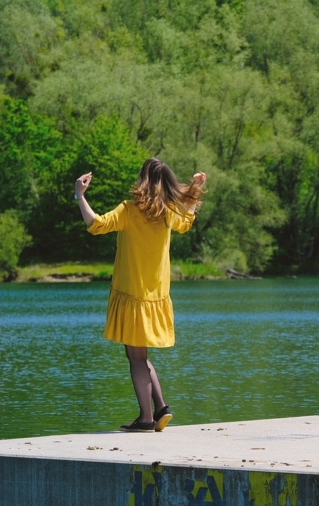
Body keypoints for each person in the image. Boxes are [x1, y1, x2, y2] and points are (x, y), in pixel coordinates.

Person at [75, 158, 205, 433]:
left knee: (135, 357)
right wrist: (193, 189)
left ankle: (146, 419)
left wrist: (79, 195)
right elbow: (187, 221)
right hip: (156, 297)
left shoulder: (129, 210)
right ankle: (161, 408)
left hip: (132, 295)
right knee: (141, 355)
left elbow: (95, 224)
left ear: (142, 180)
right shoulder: (169, 212)